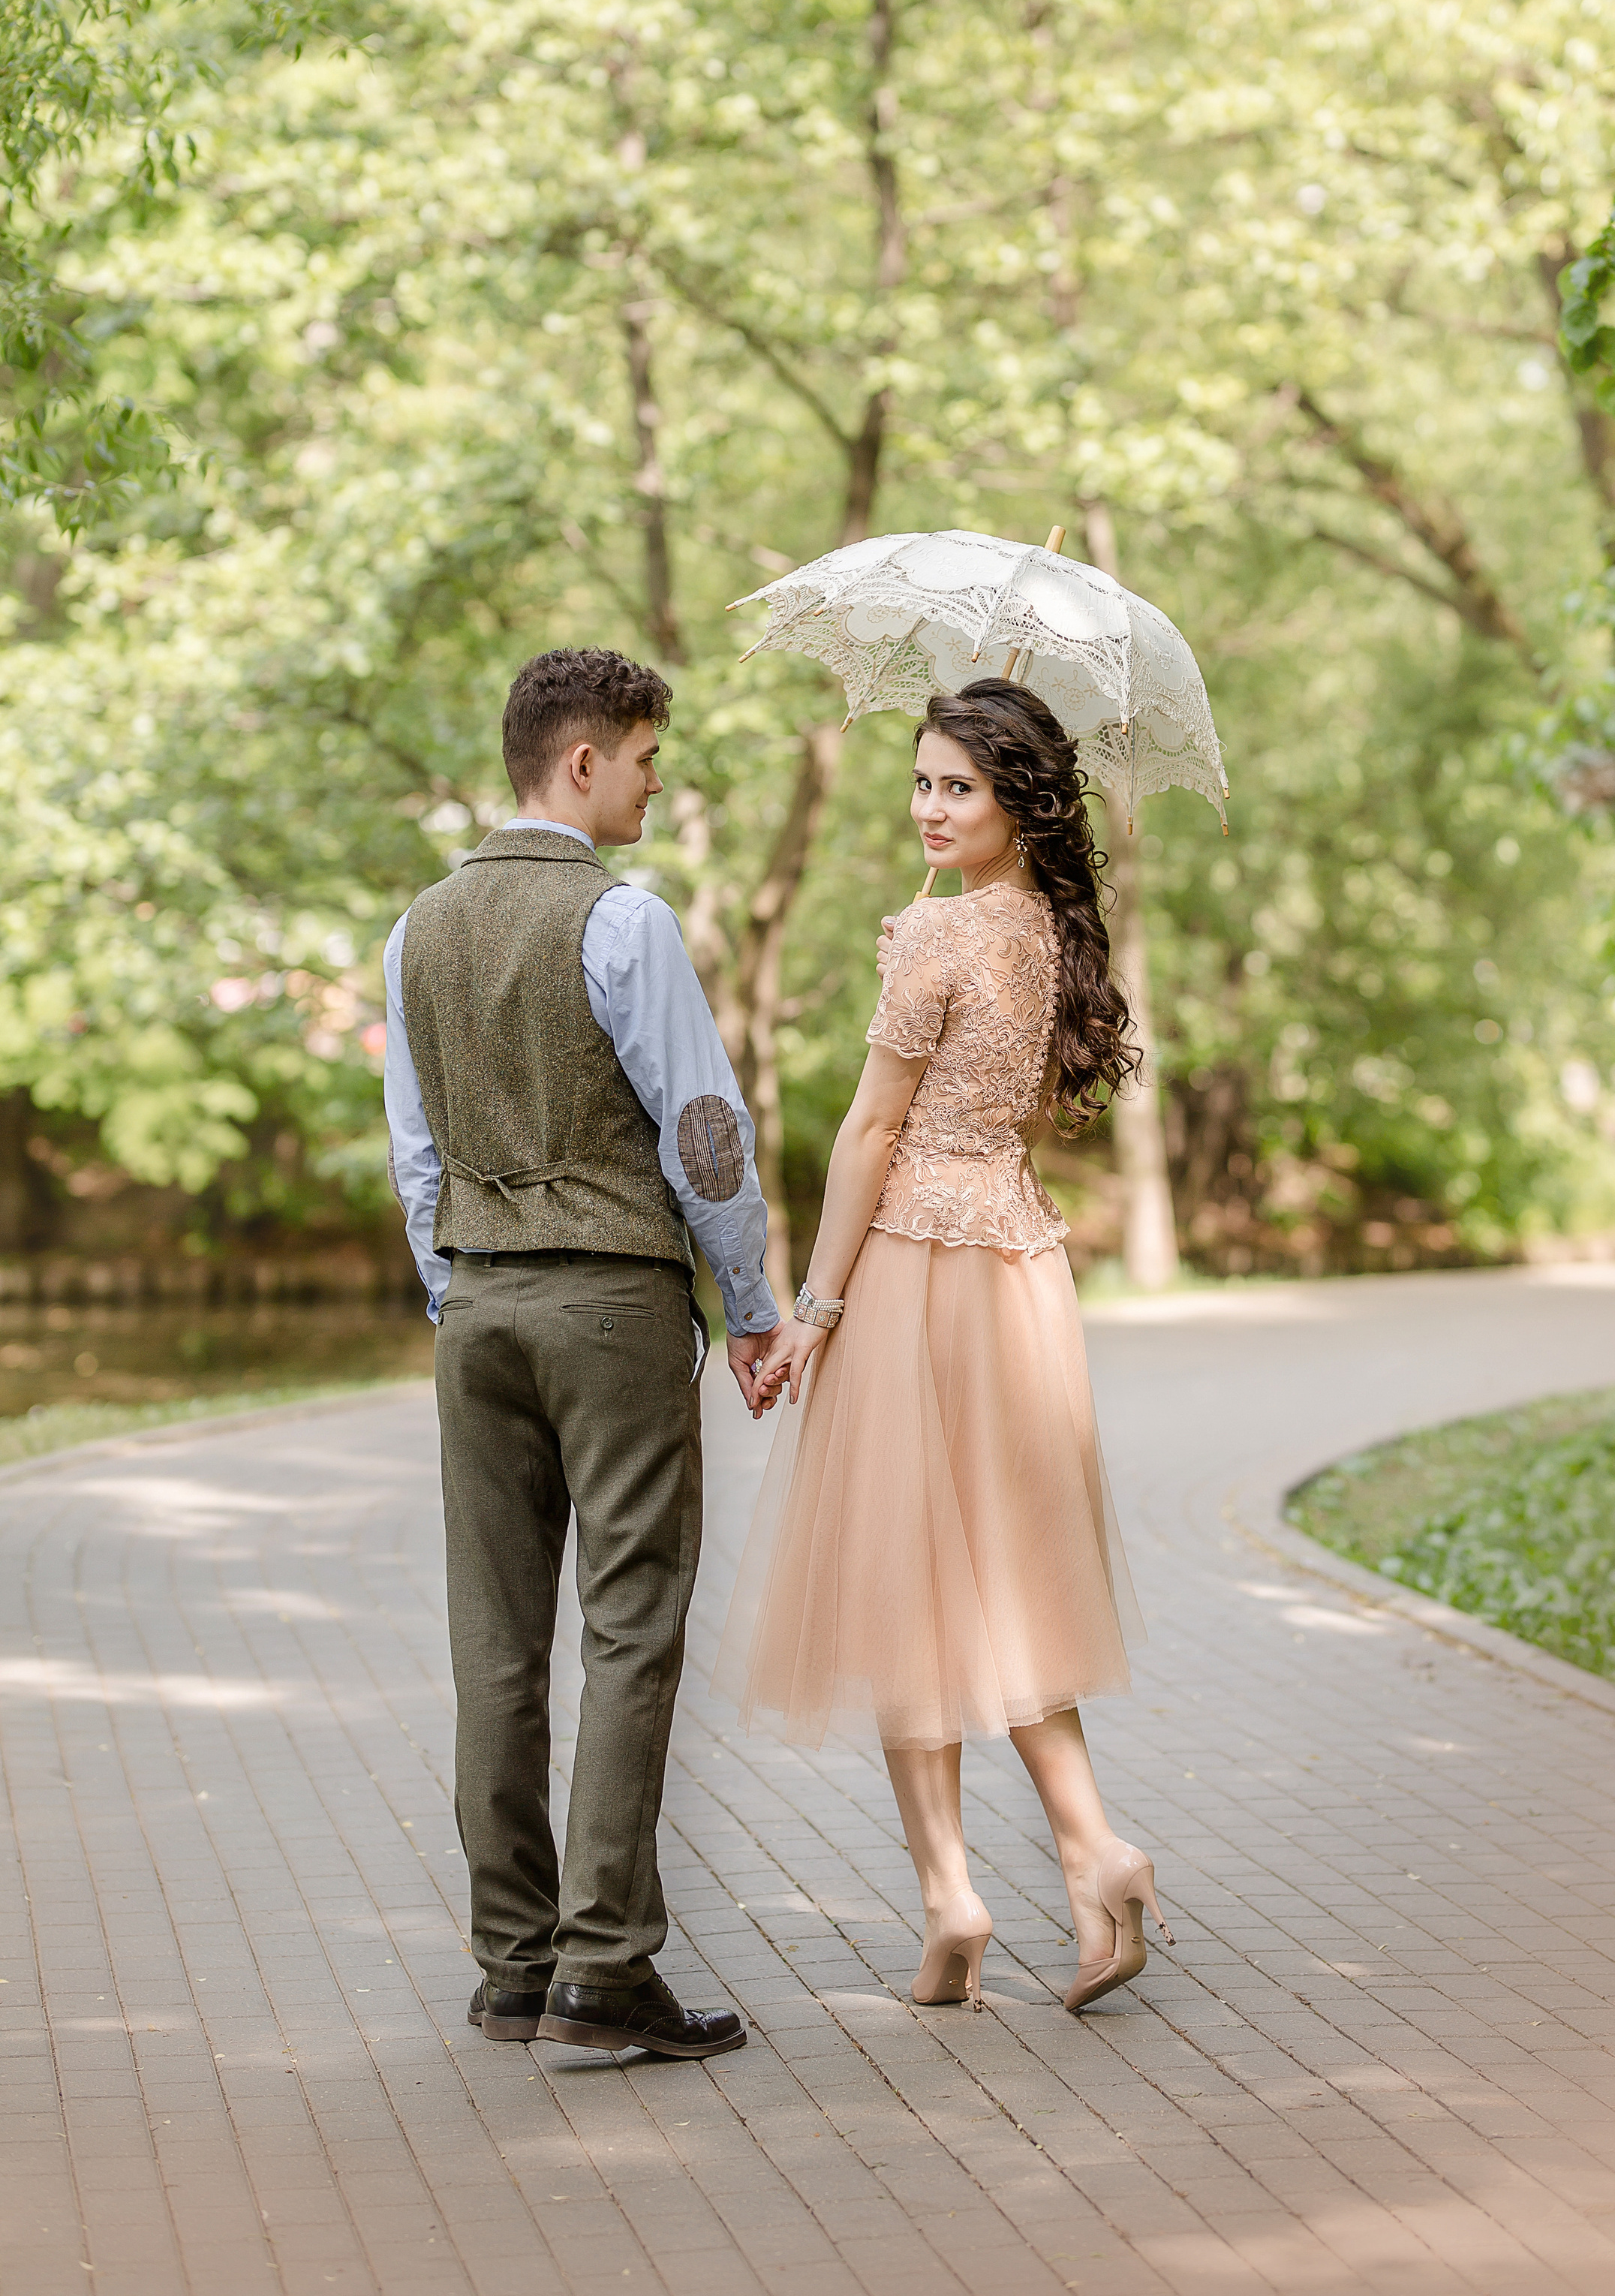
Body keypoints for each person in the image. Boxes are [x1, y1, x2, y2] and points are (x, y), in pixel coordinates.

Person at [714, 679, 1171, 2015]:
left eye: (958, 786)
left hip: (917, 1265)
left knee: (903, 1579)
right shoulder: (1050, 931)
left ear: (1016, 800)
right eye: (919, 782)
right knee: (1015, 1584)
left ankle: (953, 1898)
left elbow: (867, 1133)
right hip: (1019, 1267)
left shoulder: (937, 938)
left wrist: (816, 1306)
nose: (928, 806)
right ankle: (1098, 1851)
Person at [383, 646, 778, 2061]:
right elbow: (704, 1134)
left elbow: (415, 1158)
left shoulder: (419, 927)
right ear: (583, 761)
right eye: (647, 756)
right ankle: (604, 1972)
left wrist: (459, 1291)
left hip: (480, 1308)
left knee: (492, 1647)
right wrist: (751, 1304)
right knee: (631, 1629)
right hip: (611, 1306)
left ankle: (510, 1967)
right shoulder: (625, 924)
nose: (659, 782)